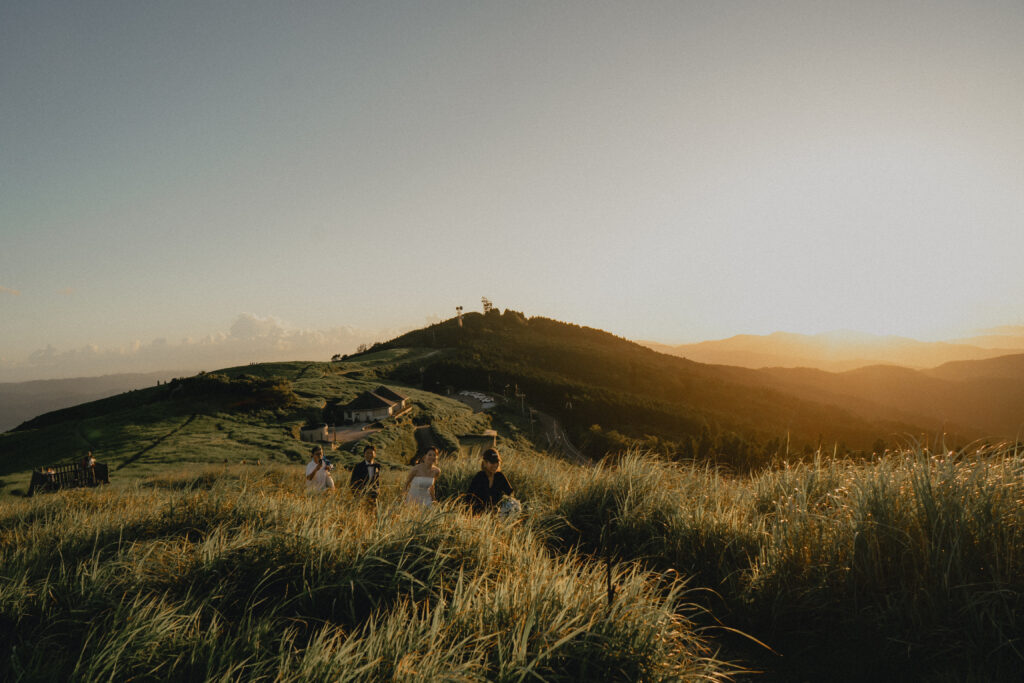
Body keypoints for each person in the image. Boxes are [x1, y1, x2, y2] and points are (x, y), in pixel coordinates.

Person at [466, 448, 513, 514]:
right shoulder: (479, 477)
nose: (495, 465)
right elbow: (469, 498)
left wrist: (503, 505)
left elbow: (510, 493)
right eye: (492, 462)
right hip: (479, 515)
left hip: (497, 514)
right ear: (485, 463)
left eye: (497, 462)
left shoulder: (500, 476)